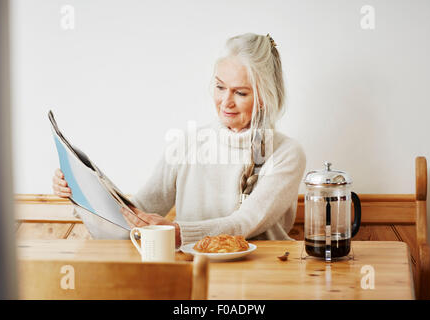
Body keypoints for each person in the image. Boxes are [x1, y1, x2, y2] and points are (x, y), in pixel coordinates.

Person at [52, 33, 306, 248]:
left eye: (240, 92)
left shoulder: (286, 154)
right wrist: (80, 192)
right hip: (191, 273)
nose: (226, 102)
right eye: (220, 87)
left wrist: (179, 233)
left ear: (264, 97)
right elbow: (136, 214)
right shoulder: (188, 144)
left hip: (264, 277)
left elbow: (245, 223)